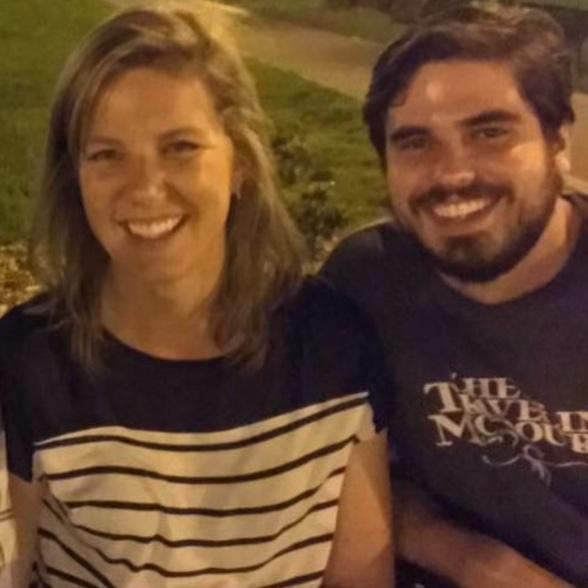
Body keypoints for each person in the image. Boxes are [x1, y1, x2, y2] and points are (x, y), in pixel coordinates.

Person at [0, 3, 393, 586]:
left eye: (180, 147)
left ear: (240, 164)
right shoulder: (29, 361)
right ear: (75, 179)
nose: (145, 187)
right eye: (107, 155)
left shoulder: (331, 345)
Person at [323, 3, 588, 587]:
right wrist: (468, 558)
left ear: (558, 140)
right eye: (415, 143)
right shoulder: (366, 283)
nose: (452, 174)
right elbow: (329, 473)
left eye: (490, 133)